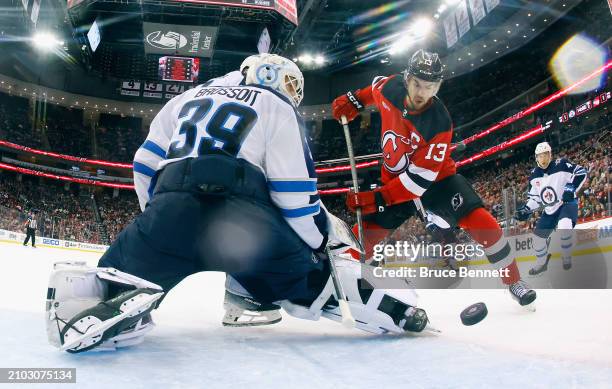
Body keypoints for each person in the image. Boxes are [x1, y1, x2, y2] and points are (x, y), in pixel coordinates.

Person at [45, 54, 430, 354]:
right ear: (274, 78)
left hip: (171, 206)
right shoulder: (276, 106)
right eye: (292, 84)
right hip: (245, 225)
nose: (293, 93)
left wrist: (159, 218)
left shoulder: (186, 97)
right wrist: (317, 245)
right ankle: (397, 312)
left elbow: (144, 164)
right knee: (315, 281)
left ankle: (111, 306)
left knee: (115, 276)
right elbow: (294, 195)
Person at [331, 49, 536, 306]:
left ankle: (513, 281)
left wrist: (379, 198)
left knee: (487, 226)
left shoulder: (439, 122)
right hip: (395, 182)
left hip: (437, 182)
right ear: (407, 78)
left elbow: (418, 183)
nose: (421, 93)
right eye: (417, 84)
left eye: (429, 87)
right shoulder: (390, 87)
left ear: (438, 86)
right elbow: (371, 89)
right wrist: (353, 101)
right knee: (362, 239)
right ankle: (336, 282)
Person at [515, 141, 587, 274]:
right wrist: (526, 209)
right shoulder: (534, 174)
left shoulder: (562, 164)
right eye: (540, 156)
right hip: (550, 210)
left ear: (550, 155)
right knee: (537, 240)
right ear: (536, 158)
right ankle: (542, 263)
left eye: (545, 155)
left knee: (564, 225)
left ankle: (566, 256)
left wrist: (570, 189)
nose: (543, 159)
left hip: (566, 204)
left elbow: (581, 172)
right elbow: (535, 198)